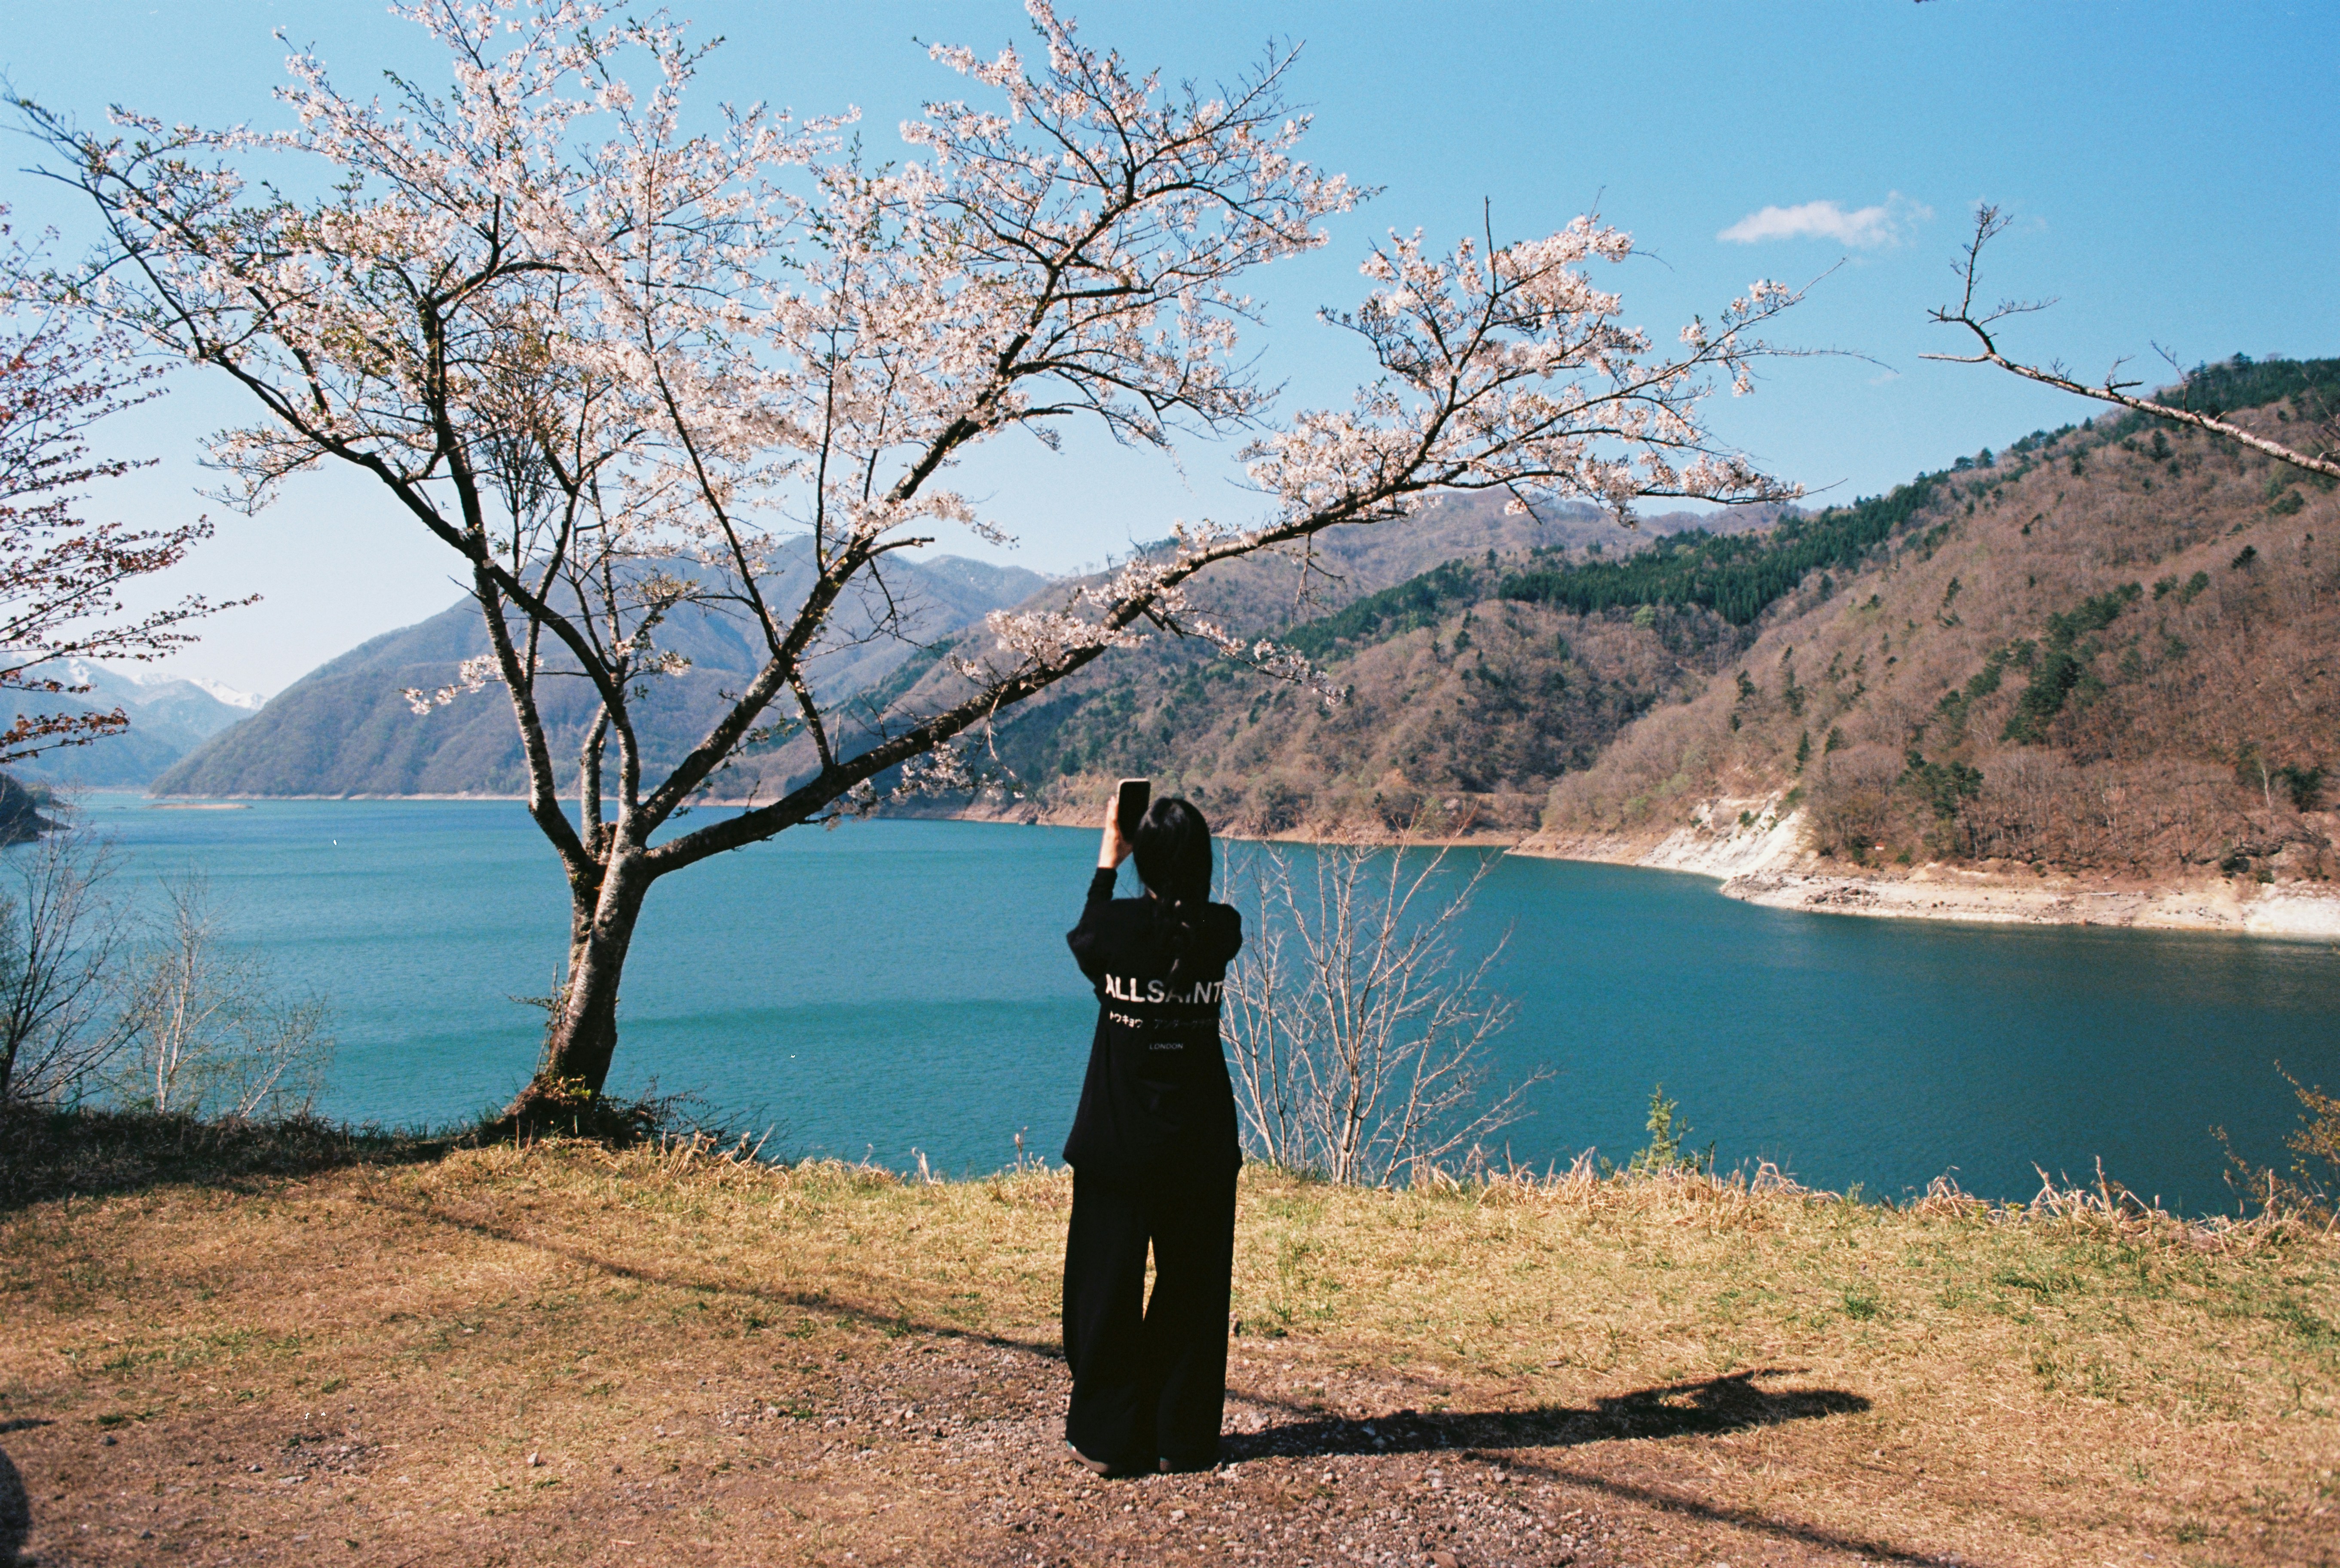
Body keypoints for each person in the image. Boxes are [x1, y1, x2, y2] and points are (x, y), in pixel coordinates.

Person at [1060, 793, 1245, 1476]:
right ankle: (1183, 1436)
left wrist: (1109, 861)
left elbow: (1086, 936)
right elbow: (1195, 922)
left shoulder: (1113, 931)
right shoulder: (1221, 930)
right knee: (1193, 1288)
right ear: (1203, 862)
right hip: (1199, 1143)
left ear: (1144, 859)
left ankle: (1113, 1437)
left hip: (1117, 1144)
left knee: (1104, 1289)